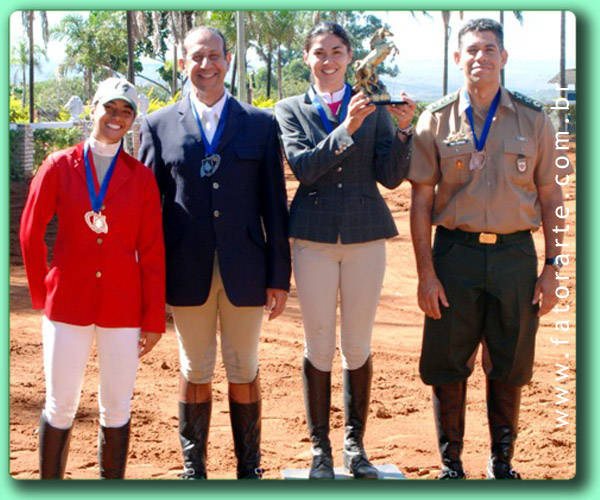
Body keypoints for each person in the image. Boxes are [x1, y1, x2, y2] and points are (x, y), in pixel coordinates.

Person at [407, 18, 572, 479]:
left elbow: (551, 196)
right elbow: (420, 202)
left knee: (510, 359)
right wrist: (425, 273)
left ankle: (502, 463)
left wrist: (554, 266)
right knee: (447, 362)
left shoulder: (534, 119)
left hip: (514, 257)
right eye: (472, 50)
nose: (481, 57)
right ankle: (451, 467)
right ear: (457, 59)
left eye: (490, 49)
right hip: (454, 256)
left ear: (504, 57)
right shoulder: (434, 120)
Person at [138, 26, 291, 480]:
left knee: (244, 366)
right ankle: (194, 469)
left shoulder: (260, 124)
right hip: (187, 270)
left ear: (229, 60)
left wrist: (278, 277)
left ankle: (249, 469)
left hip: (246, 268)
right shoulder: (158, 124)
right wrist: (151, 281)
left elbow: (274, 207)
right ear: (183, 63)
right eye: (196, 57)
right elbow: (150, 212)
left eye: (215, 56)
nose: (206, 65)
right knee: (195, 366)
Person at [275, 22, 415, 479]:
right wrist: (347, 127)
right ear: (306, 57)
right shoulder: (290, 108)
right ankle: (320, 450)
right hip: (313, 237)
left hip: (364, 236)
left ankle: (355, 446)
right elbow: (304, 167)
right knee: (317, 343)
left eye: (337, 51)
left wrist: (404, 131)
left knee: (356, 344)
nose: (328, 60)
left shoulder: (373, 106)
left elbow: (390, 177)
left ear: (351, 56)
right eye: (319, 52)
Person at [20, 78, 166, 479]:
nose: (116, 118)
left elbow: (153, 251)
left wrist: (153, 318)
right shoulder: (59, 165)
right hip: (68, 302)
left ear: (133, 120)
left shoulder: (140, 178)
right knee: (60, 403)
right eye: (110, 108)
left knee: (117, 405)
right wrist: (41, 292)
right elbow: (31, 231)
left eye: (126, 111)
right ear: (93, 108)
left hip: (122, 305)